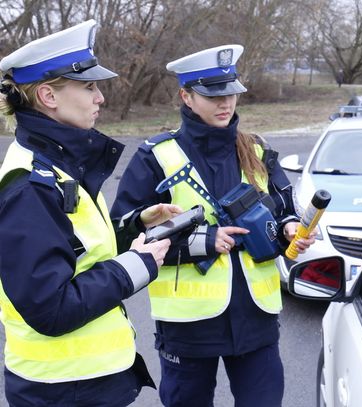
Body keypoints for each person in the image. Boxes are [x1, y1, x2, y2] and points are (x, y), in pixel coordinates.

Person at [110, 44, 315, 407]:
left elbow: (284, 208)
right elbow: (125, 236)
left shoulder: (257, 149)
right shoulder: (155, 156)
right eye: (213, 95)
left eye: (232, 93)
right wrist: (203, 241)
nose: (226, 103)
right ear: (186, 96)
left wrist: (287, 228)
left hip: (257, 320)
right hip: (189, 328)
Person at [0, 20, 181, 406]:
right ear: (48, 95)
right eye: (89, 87)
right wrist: (137, 264)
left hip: (83, 384)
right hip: (63, 389)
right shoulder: (31, 185)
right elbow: (51, 308)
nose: (100, 98)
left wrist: (135, 224)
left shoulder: (55, 164)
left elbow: (75, 252)